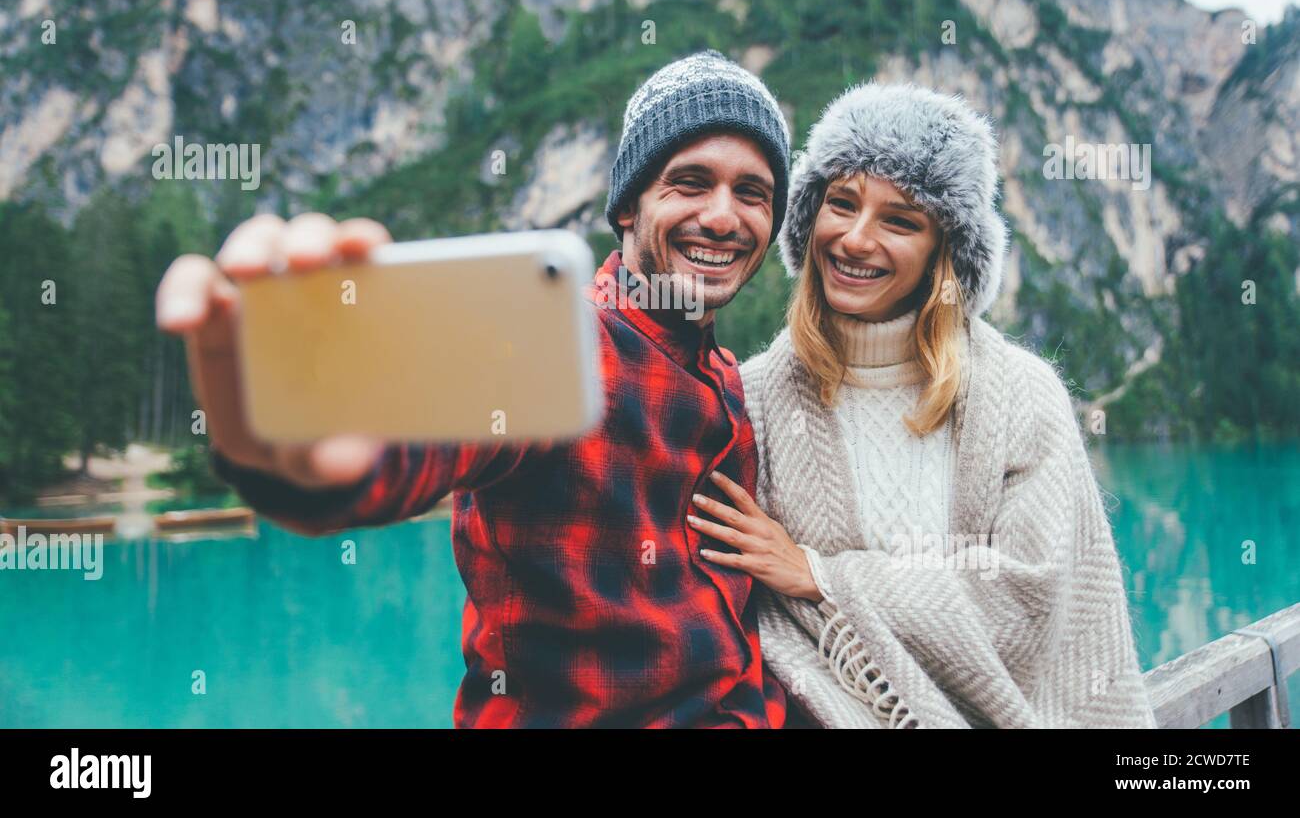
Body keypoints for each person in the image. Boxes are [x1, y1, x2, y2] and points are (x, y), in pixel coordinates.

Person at [155, 49, 794, 728]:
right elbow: (419, 442)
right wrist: (290, 451)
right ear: (629, 208)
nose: (724, 217)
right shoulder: (553, 342)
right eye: (689, 183)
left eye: (752, 192)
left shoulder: (726, 377)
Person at [685, 82, 1158, 728]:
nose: (854, 239)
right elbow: (737, 606)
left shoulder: (1020, 394)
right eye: (840, 203)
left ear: (946, 250)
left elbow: (1026, 603)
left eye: (900, 219)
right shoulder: (756, 394)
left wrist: (821, 575)